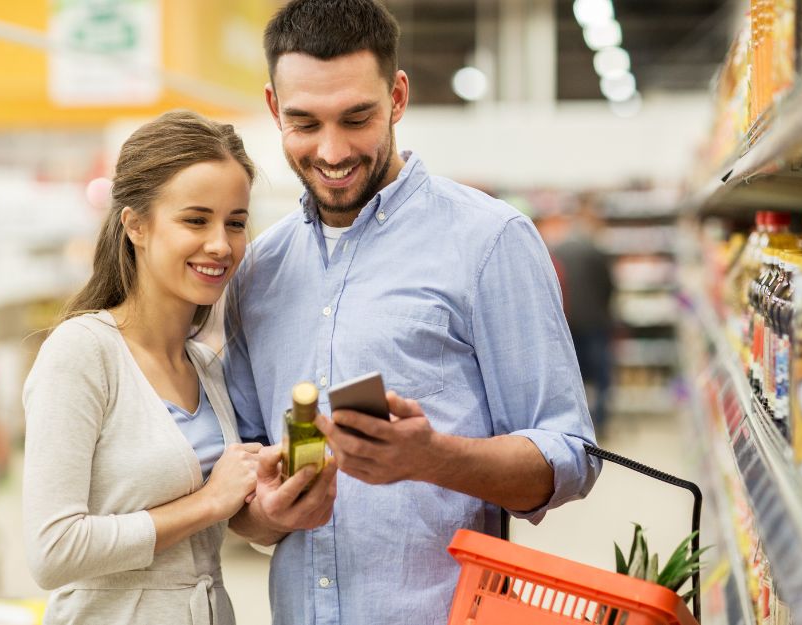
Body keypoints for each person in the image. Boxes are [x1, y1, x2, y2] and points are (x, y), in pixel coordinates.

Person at [224, 1, 601, 623]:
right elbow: (245, 485)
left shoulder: (489, 241)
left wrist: (433, 456)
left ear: (397, 97)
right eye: (304, 123)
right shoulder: (258, 269)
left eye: (356, 117)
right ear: (273, 109)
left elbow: (569, 456)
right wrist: (266, 512)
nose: (332, 149)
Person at [22, 110, 263, 625]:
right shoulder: (83, 352)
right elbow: (53, 550)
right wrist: (208, 503)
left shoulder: (207, 368)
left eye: (235, 222)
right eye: (196, 220)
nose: (221, 244)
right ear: (136, 225)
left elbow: (227, 523)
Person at [549, 193, 615, 431]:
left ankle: (574, 424)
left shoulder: (557, 249)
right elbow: (608, 286)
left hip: (567, 323)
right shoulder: (596, 250)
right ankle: (600, 423)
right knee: (601, 378)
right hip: (595, 321)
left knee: (571, 376)